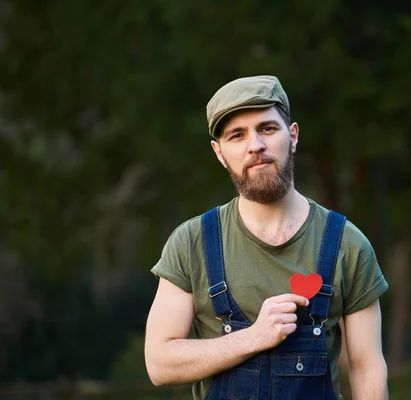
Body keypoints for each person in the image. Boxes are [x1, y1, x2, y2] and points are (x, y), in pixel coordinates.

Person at [144, 75, 389, 400]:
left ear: (293, 135)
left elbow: (367, 368)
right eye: (237, 135)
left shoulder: (347, 244)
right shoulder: (192, 243)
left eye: (267, 129)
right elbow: (159, 365)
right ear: (219, 153)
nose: (255, 145)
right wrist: (253, 337)